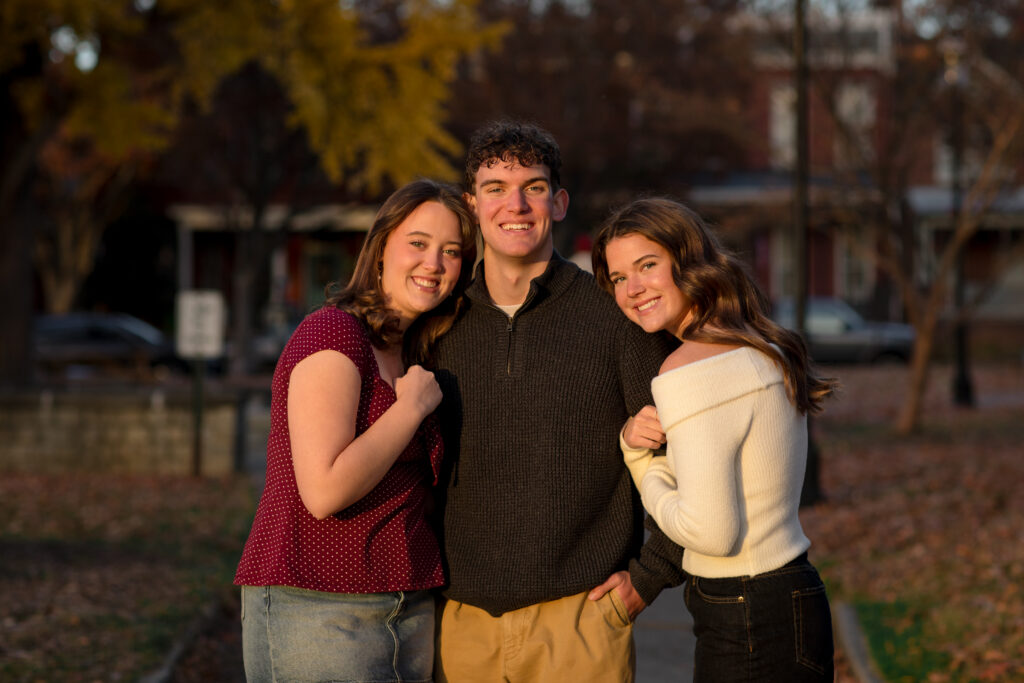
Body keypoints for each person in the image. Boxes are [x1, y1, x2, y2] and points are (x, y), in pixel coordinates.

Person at [431, 119, 686, 683]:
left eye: (535, 187)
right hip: (459, 624)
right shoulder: (439, 324)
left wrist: (650, 578)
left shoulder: (616, 314)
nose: (515, 204)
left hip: (583, 623)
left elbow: (688, 450)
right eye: (496, 189)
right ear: (473, 205)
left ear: (560, 201)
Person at [234, 179, 476, 683]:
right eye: (418, 243)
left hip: (407, 604)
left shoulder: (416, 354)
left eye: (451, 251)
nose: (434, 263)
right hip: (316, 607)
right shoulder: (334, 335)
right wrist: (408, 410)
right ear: (382, 246)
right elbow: (324, 491)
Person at [592, 197, 837, 682]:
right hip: (794, 594)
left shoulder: (687, 368)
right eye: (619, 278)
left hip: (743, 609)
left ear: (687, 260)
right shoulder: (759, 344)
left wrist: (641, 463)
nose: (632, 289)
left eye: (647, 265)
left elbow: (711, 534)